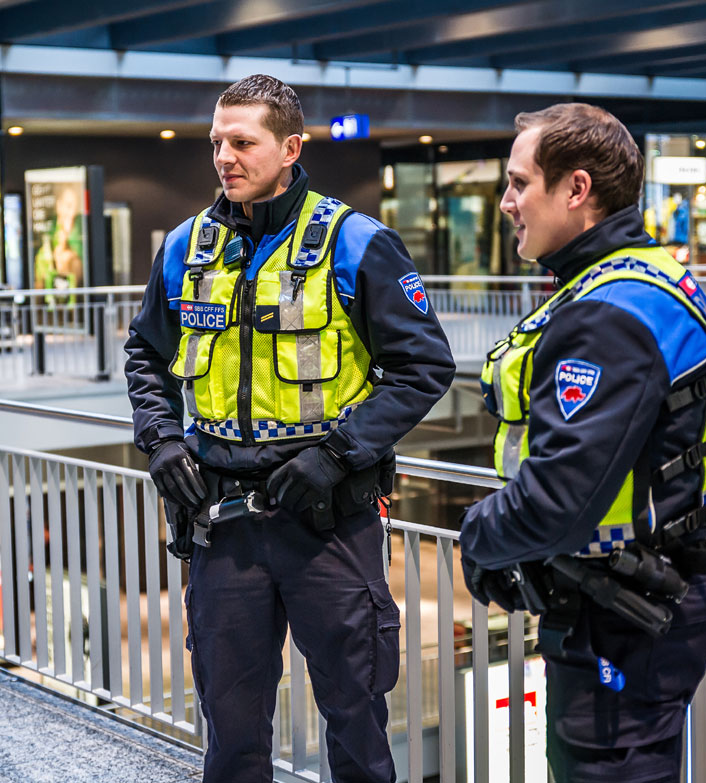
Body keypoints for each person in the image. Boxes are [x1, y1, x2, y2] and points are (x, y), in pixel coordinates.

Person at [124, 74, 454, 783]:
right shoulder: (187, 246)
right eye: (217, 141)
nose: (224, 157)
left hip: (329, 521)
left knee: (355, 718)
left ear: (291, 147)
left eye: (242, 142)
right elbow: (145, 354)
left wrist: (338, 455)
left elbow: (424, 366)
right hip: (224, 525)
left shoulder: (356, 243)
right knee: (231, 726)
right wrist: (162, 438)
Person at [459, 103, 706, 782]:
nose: (506, 203)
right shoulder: (631, 278)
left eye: (520, 183)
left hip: (626, 613)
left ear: (576, 190)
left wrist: (480, 535)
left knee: (606, 766)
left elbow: (560, 496)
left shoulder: (608, 313)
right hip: (626, 595)